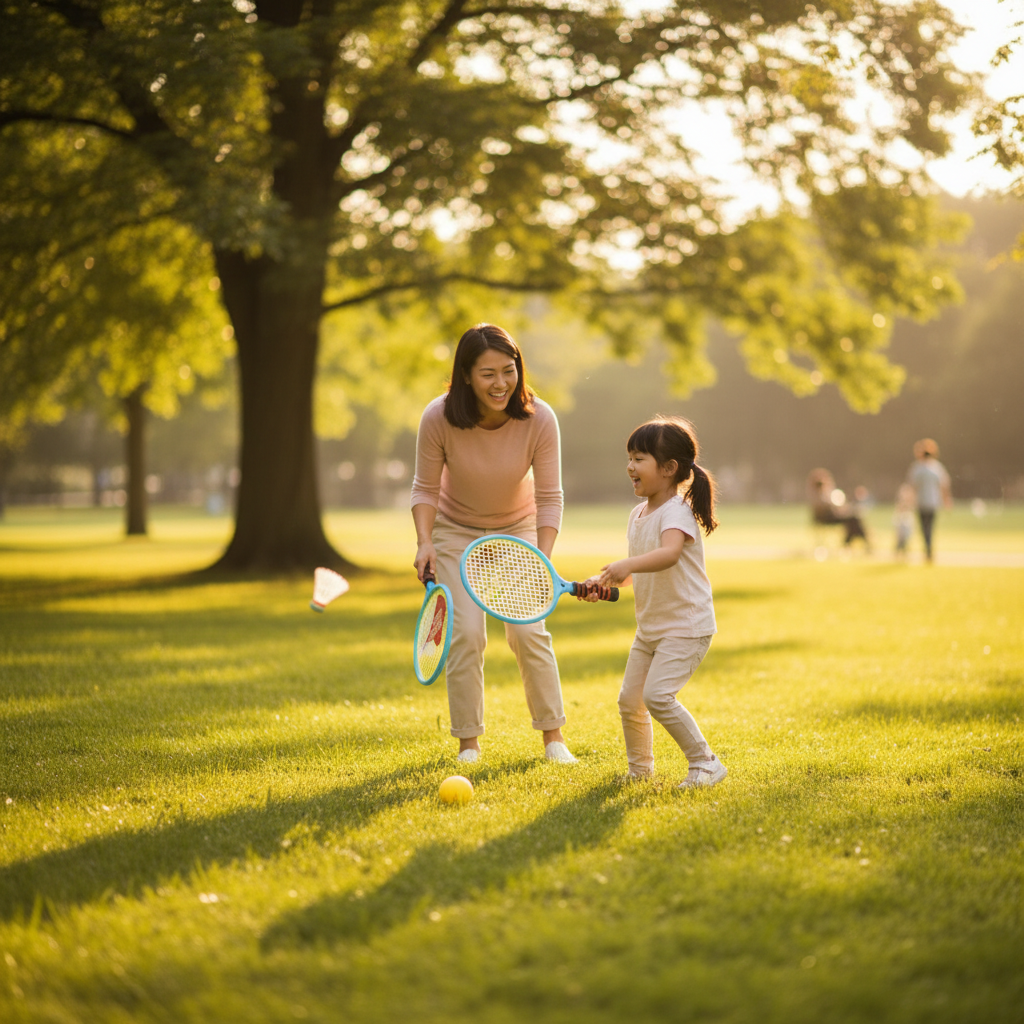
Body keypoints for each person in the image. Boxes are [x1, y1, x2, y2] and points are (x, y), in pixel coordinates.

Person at [410, 323, 576, 765]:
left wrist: (540, 557)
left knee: (527, 630)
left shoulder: (540, 418)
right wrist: (424, 542)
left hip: (517, 528)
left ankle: (553, 739)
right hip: (454, 529)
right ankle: (469, 743)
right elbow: (424, 489)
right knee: (464, 634)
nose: (501, 383)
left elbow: (549, 496)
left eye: (509, 370)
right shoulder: (438, 417)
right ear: (466, 374)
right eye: (488, 373)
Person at [583, 416, 726, 788]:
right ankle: (640, 771)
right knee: (630, 700)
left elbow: (669, 554)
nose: (630, 466)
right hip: (650, 628)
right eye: (629, 458)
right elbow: (637, 572)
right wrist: (604, 582)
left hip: (685, 626)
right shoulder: (638, 514)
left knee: (657, 696)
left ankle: (706, 763)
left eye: (639, 458)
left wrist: (625, 564)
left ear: (668, 469)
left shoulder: (676, 512)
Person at [907, 438, 952, 563]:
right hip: (933, 502)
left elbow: (912, 487)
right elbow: (944, 485)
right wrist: (947, 501)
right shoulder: (937, 467)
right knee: (930, 527)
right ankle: (929, 549)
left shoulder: (917, 468)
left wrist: (909, 501)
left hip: (921, 502)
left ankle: (927, 549)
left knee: (924, 528)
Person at [807, 468, 870, 549]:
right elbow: (827, 508)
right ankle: (853, 543)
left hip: (830, 517)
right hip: (827, 519)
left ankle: (849, 542)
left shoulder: (820, 495)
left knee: (854, 519)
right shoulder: (819, 496)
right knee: (853, 520)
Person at [893, 482, 915, 558]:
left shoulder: (910, 502)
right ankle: (898, 552)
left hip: (907, 521)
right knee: (900, 538)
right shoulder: (900, 501)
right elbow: (900, 510)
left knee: (906, 537)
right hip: (901, 521)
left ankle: (903, 552)